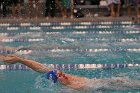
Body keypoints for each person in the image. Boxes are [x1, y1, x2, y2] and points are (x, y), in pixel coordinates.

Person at [0, 55, 140, 90]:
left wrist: (19, 59)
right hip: (107, 88)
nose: (63, 74)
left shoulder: (68, 79)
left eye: (61, 72)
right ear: (56, 81)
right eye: (60, 76)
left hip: (109, 82)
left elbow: (39, 67)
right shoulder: (68, 90)